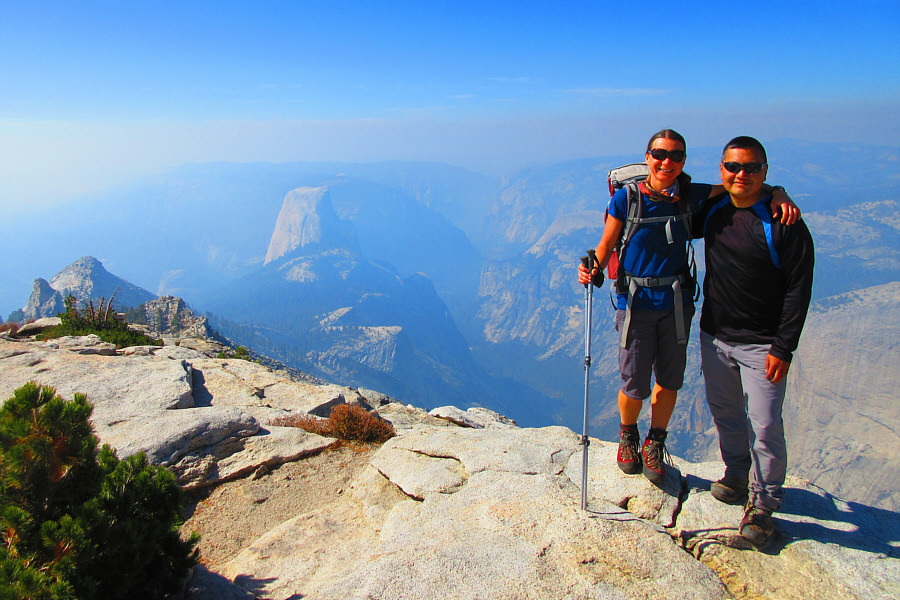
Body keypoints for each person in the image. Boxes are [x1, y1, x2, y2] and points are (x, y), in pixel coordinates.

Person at [578, 129, 798, 486]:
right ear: (647, 156)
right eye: (660, 154)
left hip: (677, 303)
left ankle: (655, 442)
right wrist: (593, 267)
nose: (667, 162)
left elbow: (739, 185)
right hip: (635, 302)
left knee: (669, 379)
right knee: (634, 382)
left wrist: (778, 192)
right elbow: (607, 243)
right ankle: (629, 435)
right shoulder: (627, 198)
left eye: (676, 156)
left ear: (683, 161)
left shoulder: (690, 194)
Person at [696, 136, 814, 546]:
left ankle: (763, 506)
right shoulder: (712, 209)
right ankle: (735, 474)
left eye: (750, 168)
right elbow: (660, 189)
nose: (740, 174)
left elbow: (799, 288)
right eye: (732, 167)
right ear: (722, 169)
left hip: (763, 344)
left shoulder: (784, 223)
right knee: (725, 411)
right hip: (714, 336)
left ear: (765, 170)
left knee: (764, 424)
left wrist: (784, 347)